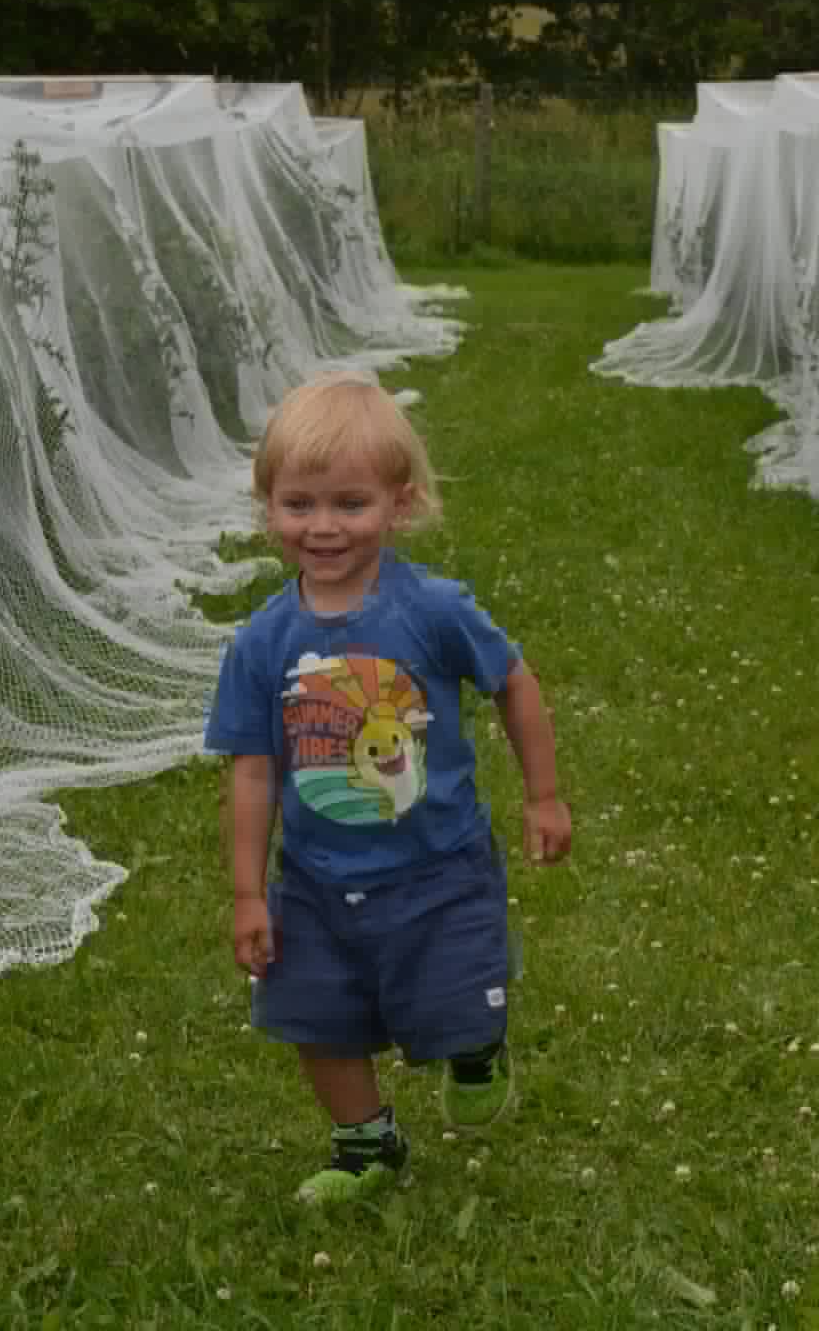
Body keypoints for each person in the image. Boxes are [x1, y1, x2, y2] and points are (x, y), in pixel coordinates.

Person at [204, 371, 572, 1205]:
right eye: (299, 504)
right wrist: (248, 893)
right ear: (268, 508)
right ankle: (366, 1144)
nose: (322, 526)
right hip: (315, 883)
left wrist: (542, 795)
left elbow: (512, 681)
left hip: (440, 868)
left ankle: (476, 1048)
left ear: (398, 506)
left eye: (349, 503)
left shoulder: (431, 610)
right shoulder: (261, 643)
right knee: (315, 1017)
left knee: (453, 1007)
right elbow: (252, 769)